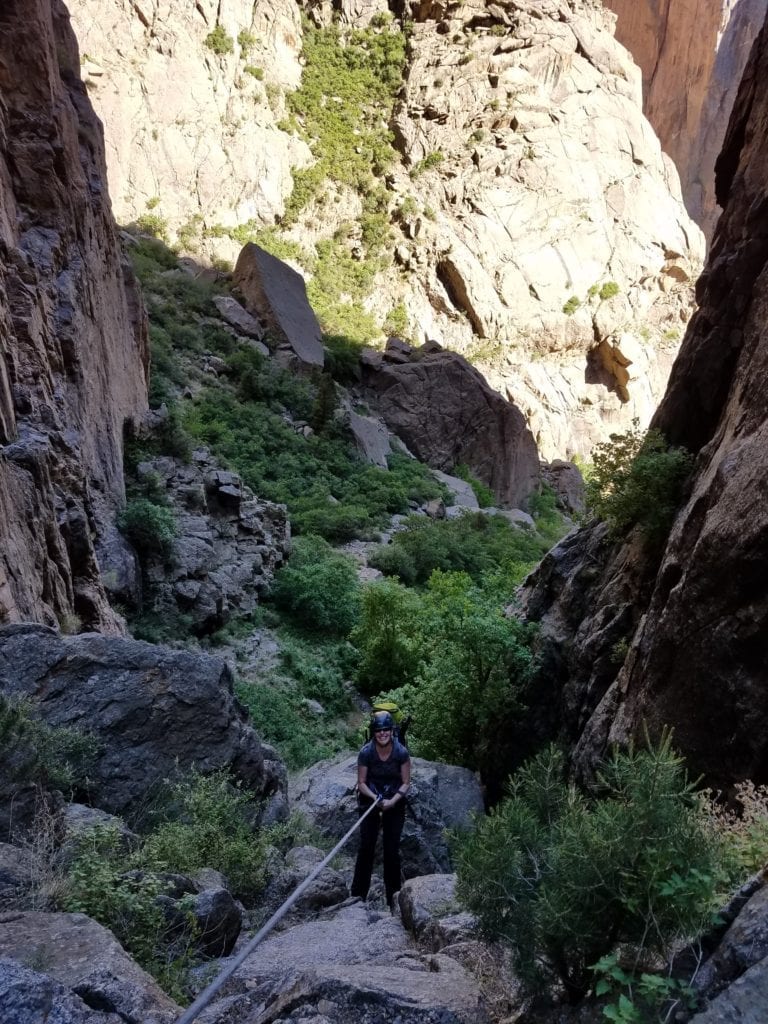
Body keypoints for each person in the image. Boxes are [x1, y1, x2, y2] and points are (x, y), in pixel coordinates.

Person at [350, 710, 411, 911]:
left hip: (394, 799)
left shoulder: (400, 752)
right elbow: (361, 783)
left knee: (391, 850)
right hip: (370, 798)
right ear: (374, 732)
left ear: (391, 731)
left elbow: (405, 783)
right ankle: (357, 896)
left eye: (386, 730)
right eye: (379, 730)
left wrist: (392, 801)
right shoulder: (366, 753)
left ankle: (393, 900)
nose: (382, 733)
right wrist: (375, 799)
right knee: (366, 847)